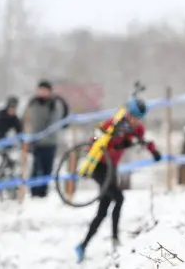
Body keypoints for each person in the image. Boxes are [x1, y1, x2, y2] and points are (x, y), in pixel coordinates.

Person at [75, 97, 162, 263]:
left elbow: (142, 142)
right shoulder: (112, 123)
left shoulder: (137, 128)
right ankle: (115, 239)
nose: (136, 121)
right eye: (134, 117)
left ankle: (82, 245)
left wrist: (154, 152)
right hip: (99, 167)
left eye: (139, 119)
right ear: (128, 114)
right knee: (119, 198)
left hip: (111, 169)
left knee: (103, 211)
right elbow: (95, 139)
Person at [25, 79, 70, 197]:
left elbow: (55, 122)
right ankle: (33, 192)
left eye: (44, 90)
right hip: (36, 141)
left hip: (50, 141)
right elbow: (28, 119)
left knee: (47, 167)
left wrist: (44, 134)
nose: (42, 92)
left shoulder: (55, 104)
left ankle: (43, 192)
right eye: (40, 90)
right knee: (35, 167)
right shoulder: (33, 103)